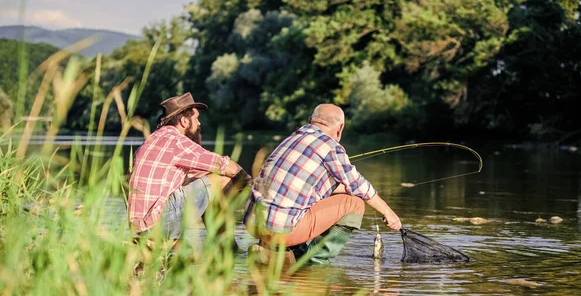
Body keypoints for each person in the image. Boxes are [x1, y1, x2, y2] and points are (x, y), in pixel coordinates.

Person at [244, 103, 401, 264]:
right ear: (340, 128)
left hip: (252, 224)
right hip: (280, 231)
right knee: (355, 203)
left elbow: (315, 186)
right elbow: (359, 186)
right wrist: (388, 213)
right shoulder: (330, 147)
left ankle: (283, 250)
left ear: (310, 120)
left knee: (341, 195)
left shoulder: (293, 137)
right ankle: (314, 261)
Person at [128, 92, 252, 242]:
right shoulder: (176, 141)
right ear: (184, 122)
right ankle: (224, 246)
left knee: (204, 179)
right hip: (157, 225)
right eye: (196, 118)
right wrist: (252, 186)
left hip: (139, 228)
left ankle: (214, 242)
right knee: (221, 180)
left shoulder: (152, 140)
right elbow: (225, 165)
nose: (199, 123)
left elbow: (200, 174)